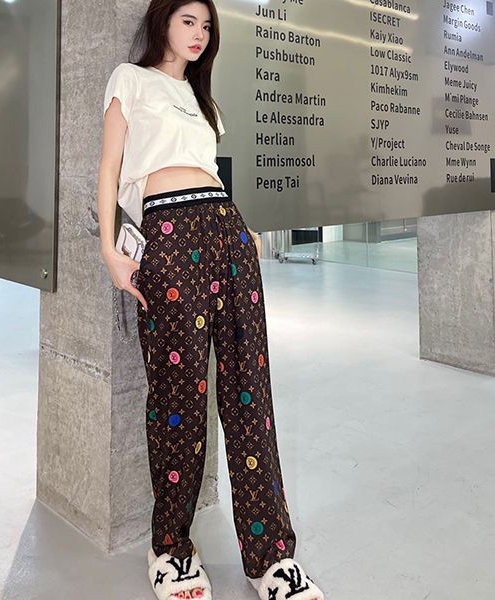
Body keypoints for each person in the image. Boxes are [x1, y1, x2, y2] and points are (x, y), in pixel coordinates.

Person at [98, 2, 325, 599]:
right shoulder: (130, 80)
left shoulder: (204, 102)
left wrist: (242, 230)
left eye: (206, 26)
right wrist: (110, 248)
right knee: (177, 397)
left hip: (225, 229)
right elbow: (109, 169)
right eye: (188, 21)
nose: (199, 34)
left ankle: (271, 557)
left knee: (250, 391)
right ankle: (170, 548)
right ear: (163, 21)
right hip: (168, 234)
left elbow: (210, 170)